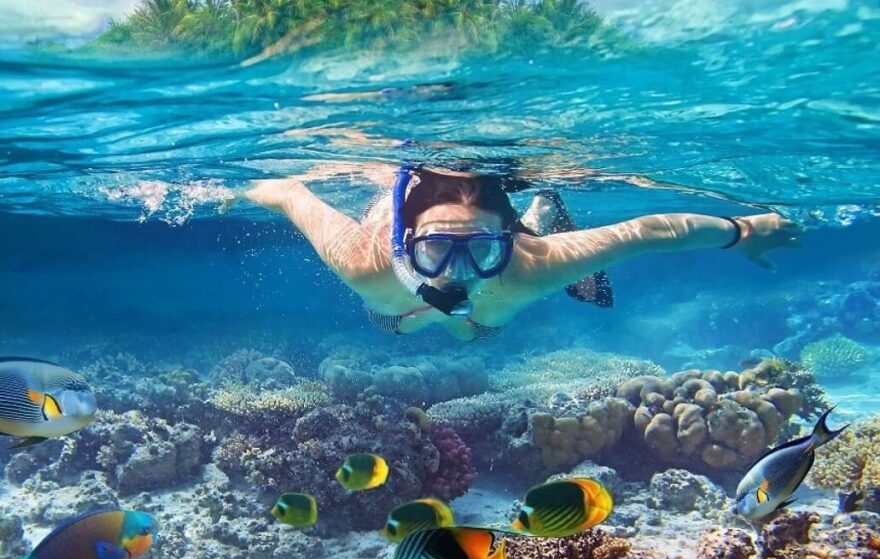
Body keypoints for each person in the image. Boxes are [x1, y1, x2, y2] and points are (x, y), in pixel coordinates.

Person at [245, 164, 802, 341]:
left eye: (483, 248)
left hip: (496, 293)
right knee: (400, 319)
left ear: (504, 241)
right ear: (404, 241)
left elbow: (650, 230)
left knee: (472, 327)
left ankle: (539, 213)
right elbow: (290, 191)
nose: (457, 272)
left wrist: (744, 230)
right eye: (437, 247)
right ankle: (536, 216)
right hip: (397, 306)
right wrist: (227, 190)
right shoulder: (363, 258)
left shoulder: (528, 265)